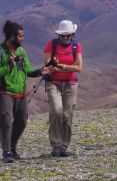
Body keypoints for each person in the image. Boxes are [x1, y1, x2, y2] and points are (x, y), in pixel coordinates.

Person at [0, 20, 49, 163]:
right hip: (5, 93)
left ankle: (12, 146)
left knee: (21, 121)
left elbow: (27, 70)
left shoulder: (21, 51)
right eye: (20, 36)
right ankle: (6, 152)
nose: (23, 39)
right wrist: (8, 67)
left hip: (21, 93)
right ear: (11, 36)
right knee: (6, 120)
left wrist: (40, 71)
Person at [43, 20, 83, 157]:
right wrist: (53, 65)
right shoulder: (51, 45)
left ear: (72, 34)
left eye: (68, 35)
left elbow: (79, 67)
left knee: (67, 114)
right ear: (58, 35)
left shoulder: (76, 46)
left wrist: (64, 67)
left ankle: (64, 146)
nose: (66, 38)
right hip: (53, 82)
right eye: (63, 36)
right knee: (56, 111)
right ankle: (56, 144)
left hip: (70, 84)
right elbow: (47, 63)